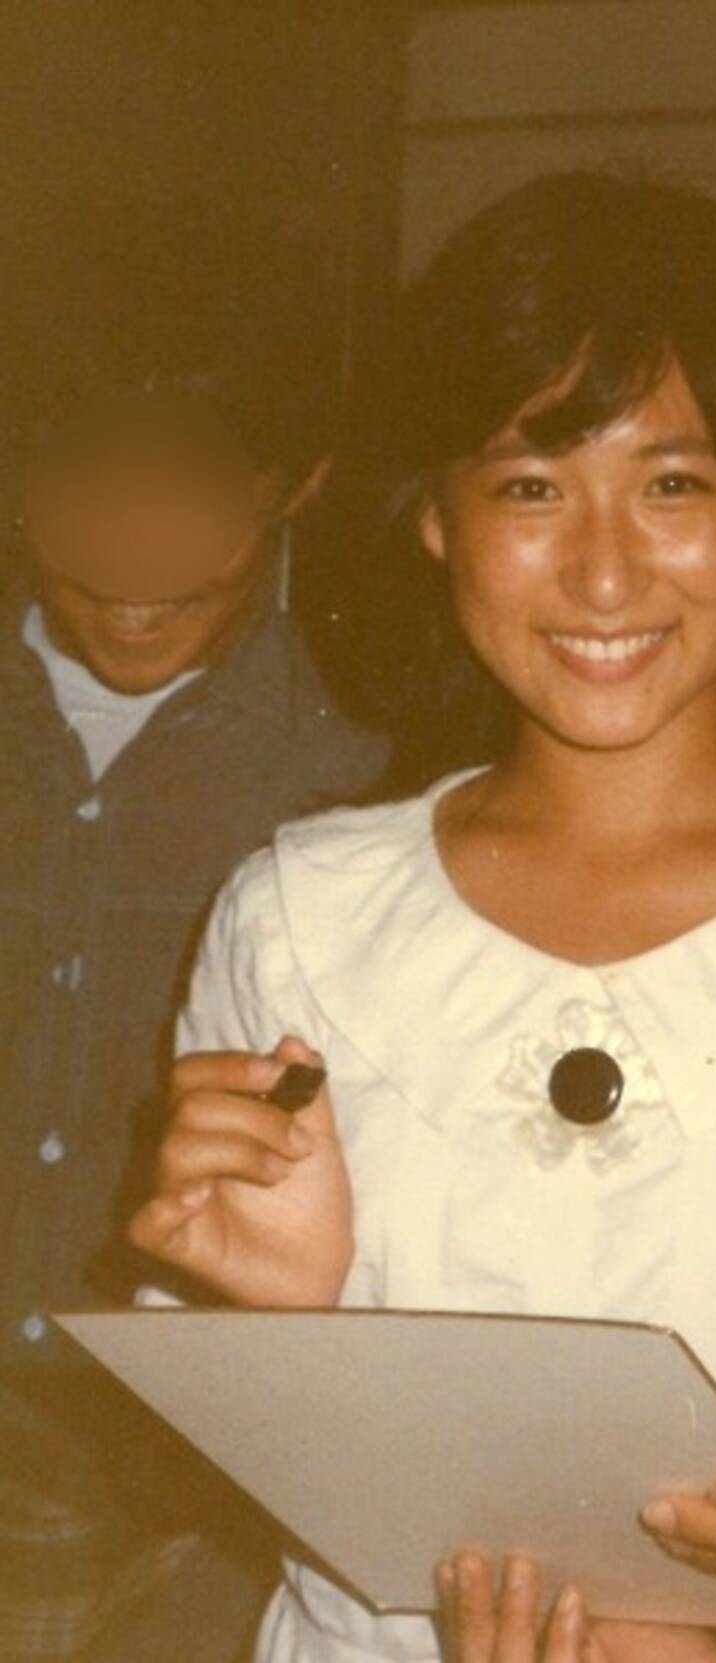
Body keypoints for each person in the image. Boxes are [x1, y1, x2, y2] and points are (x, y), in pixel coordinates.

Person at [130, 171, 716, 1663]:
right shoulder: (298, 912)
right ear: (435, 520)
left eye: (674, 484)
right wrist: (260, 1319)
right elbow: (203, 1468)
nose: (604, 569)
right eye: (530, 487)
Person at [0, 223, 391, 1657]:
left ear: (302, 479)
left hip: (196, 1502)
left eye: (198, 487)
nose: (133, 545)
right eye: (81, 479)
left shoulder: (369, 781)